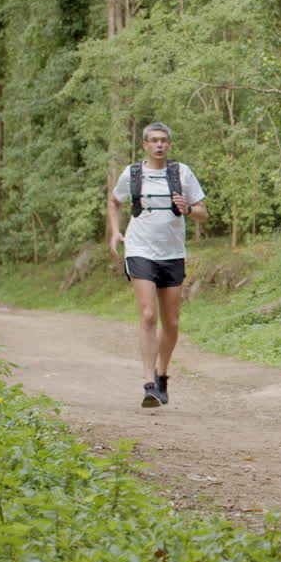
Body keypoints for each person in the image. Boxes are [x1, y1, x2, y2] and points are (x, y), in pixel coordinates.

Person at [107, 122, 208, 408]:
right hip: (139, 249)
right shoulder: (133, 174)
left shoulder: (181, 173)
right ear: (145, 145)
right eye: (153, 140)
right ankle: (149, 383)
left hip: (172, 251)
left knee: (172, 323)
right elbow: (114, 202)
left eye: (163, 140)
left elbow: (203, 213)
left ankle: (163, 375)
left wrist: (187, 208)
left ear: (169, 145)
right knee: (149, 315)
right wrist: (115, 232)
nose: (159, 145)